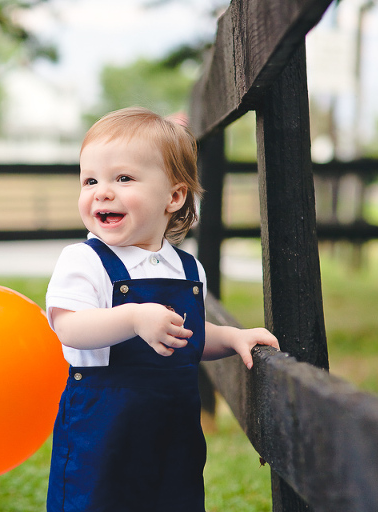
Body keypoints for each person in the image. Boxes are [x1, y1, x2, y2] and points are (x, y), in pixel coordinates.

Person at [45, 106, 279, 512]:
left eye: (123, 178)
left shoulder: (185, 268)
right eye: (90, 180)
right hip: (102, 428)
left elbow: (189, 334)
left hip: (172, 430)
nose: (102, 190)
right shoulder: (84, 261)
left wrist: (233, 337)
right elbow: (70, 327)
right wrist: (134, 317)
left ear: (174, 196)